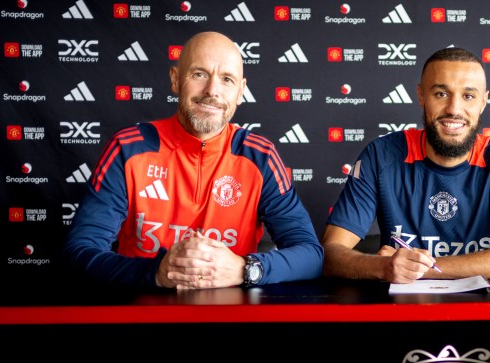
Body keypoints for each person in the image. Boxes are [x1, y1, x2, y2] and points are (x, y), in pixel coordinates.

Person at [61, 31, 323, 290]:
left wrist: (246, 268)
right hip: (142, 311)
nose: (212, 90)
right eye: (199, 74)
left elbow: (311, 256)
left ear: (241, 92)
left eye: (227, 79)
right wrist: (157, 273)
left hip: (230, 315)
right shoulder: (128, 149)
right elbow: (79, 251)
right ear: (175, 80)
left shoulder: (260, 156)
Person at [321, 46, 490, 284]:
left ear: (483, 102)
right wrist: (382, 266)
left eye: (468, 96)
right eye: (441, 94)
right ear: (421, 95)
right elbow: (330, 252)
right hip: (403, 313)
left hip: (484, 309)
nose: (454, 109)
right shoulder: (381, 155)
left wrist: (421, 268)